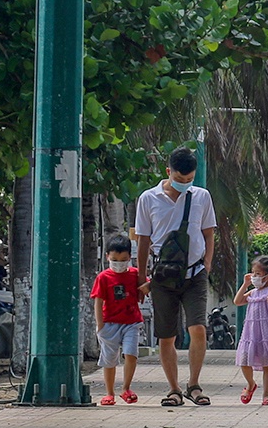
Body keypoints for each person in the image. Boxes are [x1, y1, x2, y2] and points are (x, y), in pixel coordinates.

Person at [134, 146, 218, 407]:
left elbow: (209, 234)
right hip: (162, 277)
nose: (184, 184)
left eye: (189, 179)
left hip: (194, 274)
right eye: (180, 179)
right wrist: (141, 277)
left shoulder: (202, 197)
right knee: (167, 335)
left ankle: (194, 385)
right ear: (168, 172)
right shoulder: (148, 199)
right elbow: (143, 241)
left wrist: (206, 262)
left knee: (198, 329)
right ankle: (173, 389)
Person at [89, 233, 142, 406]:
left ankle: (126, 388)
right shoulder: (103, 277)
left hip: (131, 322)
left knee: (131, 354)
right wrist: (100, 325)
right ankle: (109, 393)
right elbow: (98, 300)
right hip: (109, 323)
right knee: (109, 359)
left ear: (129, 257)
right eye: (115, 260)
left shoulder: (135, 274)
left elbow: (147, 287)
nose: (119, 264)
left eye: (124, 259)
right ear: (107, 257)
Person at [234, 255, 268, 405]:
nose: (254, 277)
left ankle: (266, 395)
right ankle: (251, 384)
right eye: (253, 273)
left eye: (258, 274)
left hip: (267, 333)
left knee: (267, 364)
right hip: (251, 333)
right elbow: (237, 301)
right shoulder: (253, 293)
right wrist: (245, 285)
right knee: (244, 361)